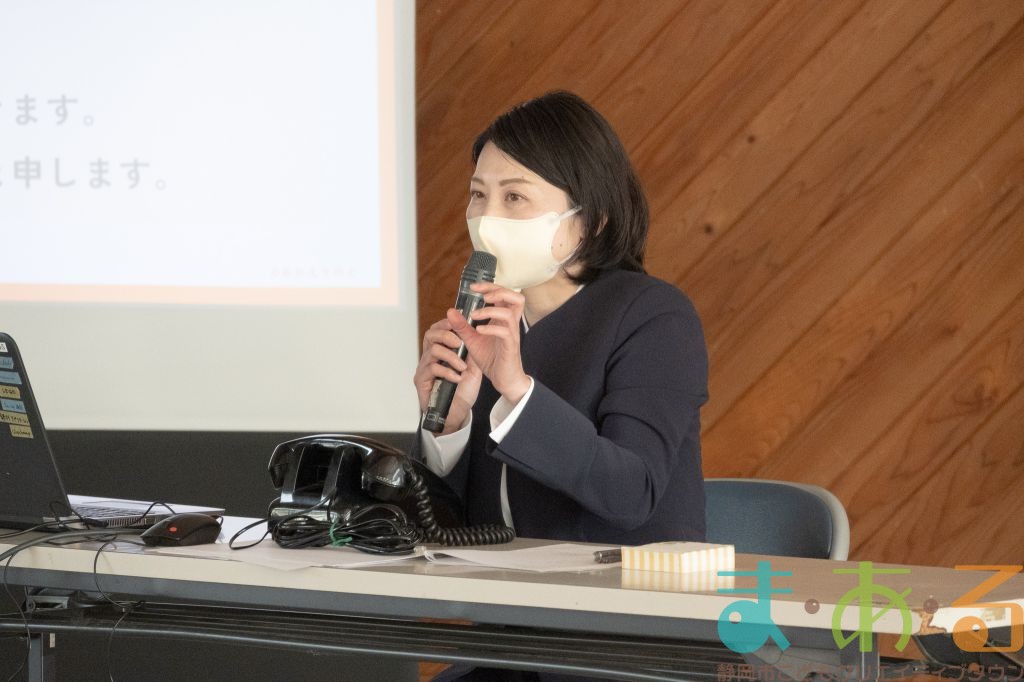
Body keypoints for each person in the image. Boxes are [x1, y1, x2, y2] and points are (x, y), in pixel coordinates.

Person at [413, 91, 708, 549]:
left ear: (590, 221)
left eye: (514, 196)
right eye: (478, 195)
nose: (487, 219)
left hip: (624, 590)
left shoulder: (656, 318)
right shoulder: (485, 321)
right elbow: (443, 529)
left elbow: (632, 493)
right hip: (495, 590)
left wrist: (518, 392)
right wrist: (448, 429)